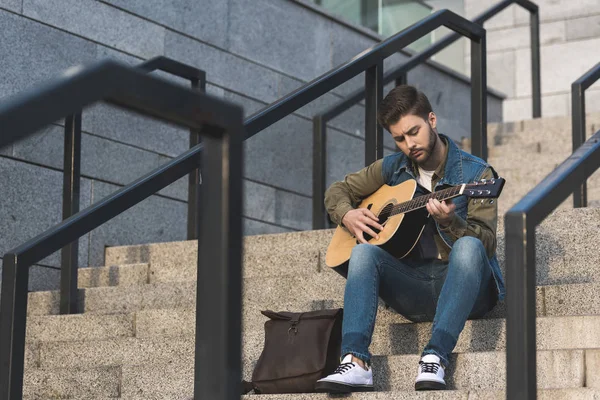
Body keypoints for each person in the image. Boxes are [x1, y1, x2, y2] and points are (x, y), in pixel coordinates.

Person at [314, 85, 505, 393]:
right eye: (399, 138)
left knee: (469, 245)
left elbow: (487, 245)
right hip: (413, 287)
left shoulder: (476, 173)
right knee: (363, 253)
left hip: (466, 290)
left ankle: (435, 356)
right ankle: (356, 361)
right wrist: (347, 214)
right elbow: (337, 191)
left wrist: (452, 222)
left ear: (432, 120)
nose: (409, 144)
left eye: (414, 132)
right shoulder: (392, 168)